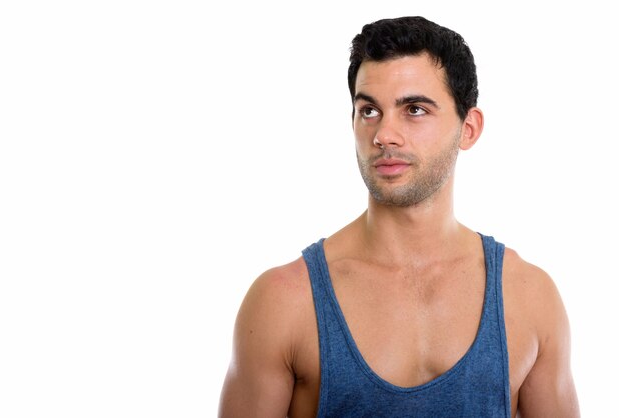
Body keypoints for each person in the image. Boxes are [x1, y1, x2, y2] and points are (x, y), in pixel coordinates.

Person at [218, 16, 579, 417]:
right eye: (369, 110)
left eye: (414, 109)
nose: (384, 134)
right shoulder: (283, 302)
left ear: (469, 128)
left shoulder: (528, 297)